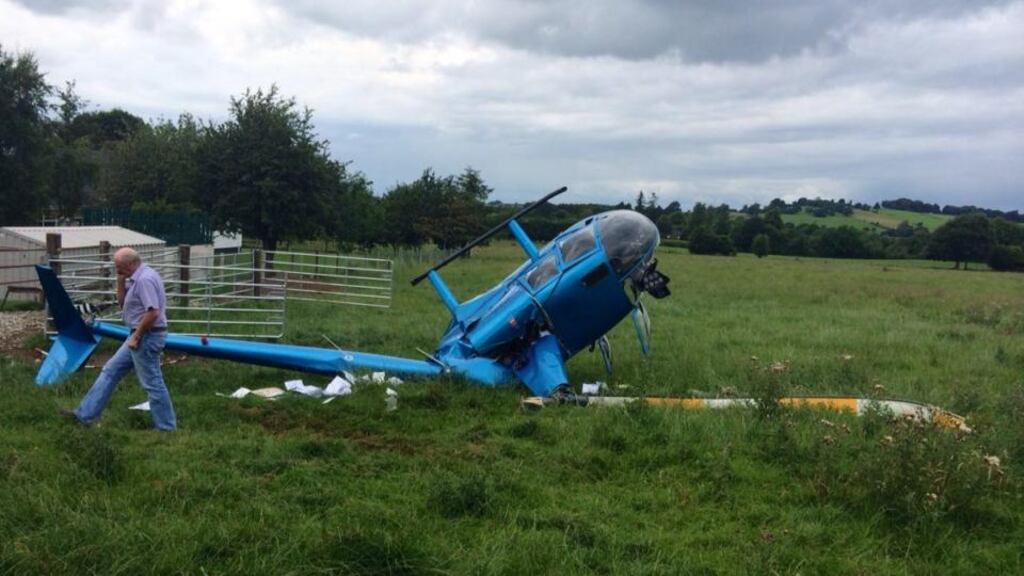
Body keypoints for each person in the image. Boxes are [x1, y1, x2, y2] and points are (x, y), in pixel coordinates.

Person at [63, 247, 176, 430]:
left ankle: (166, 427)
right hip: (138, 335)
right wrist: (120, 281)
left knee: (152, 382)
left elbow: (153, 312)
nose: (117, 269)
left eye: (119, 266)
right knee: (110, 371)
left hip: (146, 336)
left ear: (131, 263)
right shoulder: (136, 277)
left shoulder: (145, 280)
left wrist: (136, 335)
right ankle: (84, 416)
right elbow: (123, 303)